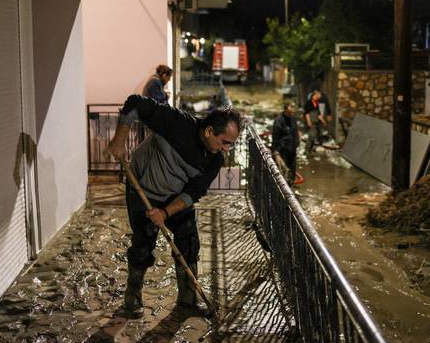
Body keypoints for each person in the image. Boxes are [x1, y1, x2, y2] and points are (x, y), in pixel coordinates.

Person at [106, 95, 241, 318]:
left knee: (189, 243)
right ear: (209, 131)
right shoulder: (176, 123)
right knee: (143, 245)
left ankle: (187, 300)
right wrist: (119, 141)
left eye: (231, 144)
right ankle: (132, 297)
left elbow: (194, 192)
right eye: (225, 142)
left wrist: (166, 212)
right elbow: (133, 103)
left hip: (175, 198)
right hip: (143, 189)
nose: (227, 149)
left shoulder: (214, 159)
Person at [272, 102, 301, 184]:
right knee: (283, 174)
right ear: (286, 108)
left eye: (294, 107)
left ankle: (290, 190)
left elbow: (296, 129)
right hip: (283, 151)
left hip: (292, 149)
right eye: (291, 107)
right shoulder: (279, 120)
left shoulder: (293, 119)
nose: (293, 109)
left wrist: (298, 137)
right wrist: (276, 152)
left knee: (292, 172)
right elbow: (275, 137)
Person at [304, 90, 327, 155]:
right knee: (311, 136)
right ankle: (307, 150)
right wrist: (308, 121)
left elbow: (319, 114)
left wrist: (323, 121)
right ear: (315, 95)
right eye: (319, 95)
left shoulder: (316, 103)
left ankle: (310, 150)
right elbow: (307, 113)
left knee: (314, 137)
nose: (320, 96)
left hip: (316, 121)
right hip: (311, 121)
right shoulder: (309, 103)